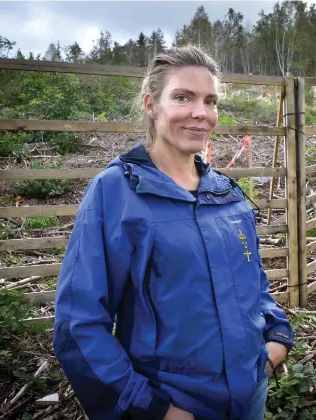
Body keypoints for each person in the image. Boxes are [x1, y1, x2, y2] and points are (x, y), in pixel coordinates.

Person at [53, 45, 295, 420]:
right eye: (183, 97)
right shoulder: (116, 193)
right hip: (174, 406)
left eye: (210, 101)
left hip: (249, 395)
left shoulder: (226, 194)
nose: (201, 113)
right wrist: (152, 408)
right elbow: (79, 323)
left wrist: (277, 336)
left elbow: (252, 281)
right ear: (151, 104)